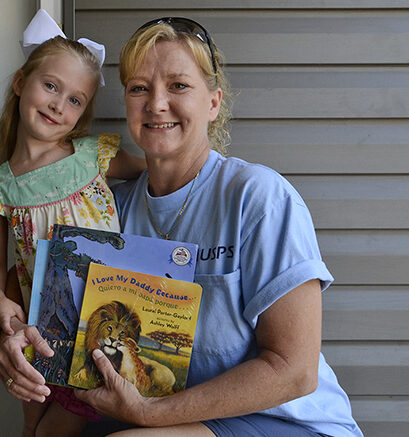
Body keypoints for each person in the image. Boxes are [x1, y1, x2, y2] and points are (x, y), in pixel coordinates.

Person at [68, 17, 364, 436]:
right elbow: (59, 303)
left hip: (283, 419)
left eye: (178, 85)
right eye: (139, 88)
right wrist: (12, 334)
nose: (156, 103)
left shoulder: (258, 198)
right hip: (172, 415)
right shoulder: (110, 209)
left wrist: (149, 414)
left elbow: (295, 371)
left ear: (213, 102)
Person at [0, 9, 145, 437]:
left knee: (60, 424)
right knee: (32, 419)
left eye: (74, 100)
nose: (57, 105)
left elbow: (155, 174)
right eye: (50, 86)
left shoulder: (91, 156)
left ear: (82, 113)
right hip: (43, 325)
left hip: (100, 318)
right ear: (19, 83)